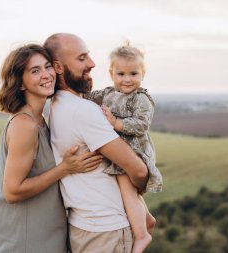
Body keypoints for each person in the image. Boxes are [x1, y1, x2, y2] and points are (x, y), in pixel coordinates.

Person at [0, 44, 103, 253]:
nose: (46, 75)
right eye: (35, 71)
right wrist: (65, 168)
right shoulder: (24, 125)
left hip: (42, 240)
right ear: (20, 83)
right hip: (20, 243)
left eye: (47, 67)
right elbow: (12, 191)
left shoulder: (40, 120)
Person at [44, 33, 149, 253]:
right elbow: (138, 170)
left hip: (82, 225)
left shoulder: (55, 106)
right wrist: (138, 191)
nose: (92, 64)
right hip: (106, 229)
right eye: (82, 58)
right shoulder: (83, 111)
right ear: (59, 67)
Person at [84, 41, 163, 253]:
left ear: (142, 73)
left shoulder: (142, 99)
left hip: (134, 151)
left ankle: (142, 235)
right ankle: (147, 219)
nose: (127, 79)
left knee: (127, 191)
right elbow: (85, 99)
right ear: (111, 73)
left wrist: (116, 124)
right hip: (119, 150)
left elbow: (142, 125)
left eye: (133, 73)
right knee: (129, 193)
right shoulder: (107, 93)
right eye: (121, 74)